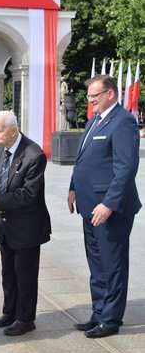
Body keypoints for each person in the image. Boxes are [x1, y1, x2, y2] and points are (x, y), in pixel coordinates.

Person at [68, 74, 142, 338]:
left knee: (112, 265)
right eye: (89, 97)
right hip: (89, 206)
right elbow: (83, 160)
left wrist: (108, 204)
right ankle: (98, 312)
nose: (90, 101)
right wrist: (73, 187)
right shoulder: (94, 122)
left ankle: (111, 320)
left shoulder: (122, 122)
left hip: (111, 210)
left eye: (94, 97)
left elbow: (126, 169)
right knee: (97, 264)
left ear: (110, 94)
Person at [0, 110, 51, 336]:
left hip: (27, 227)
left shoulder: (34, 155)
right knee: (8, 273)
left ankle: (25, 318)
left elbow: (28, 194)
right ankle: (9, 312)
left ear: (13, 131)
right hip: (5, 225)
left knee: (25, 275)